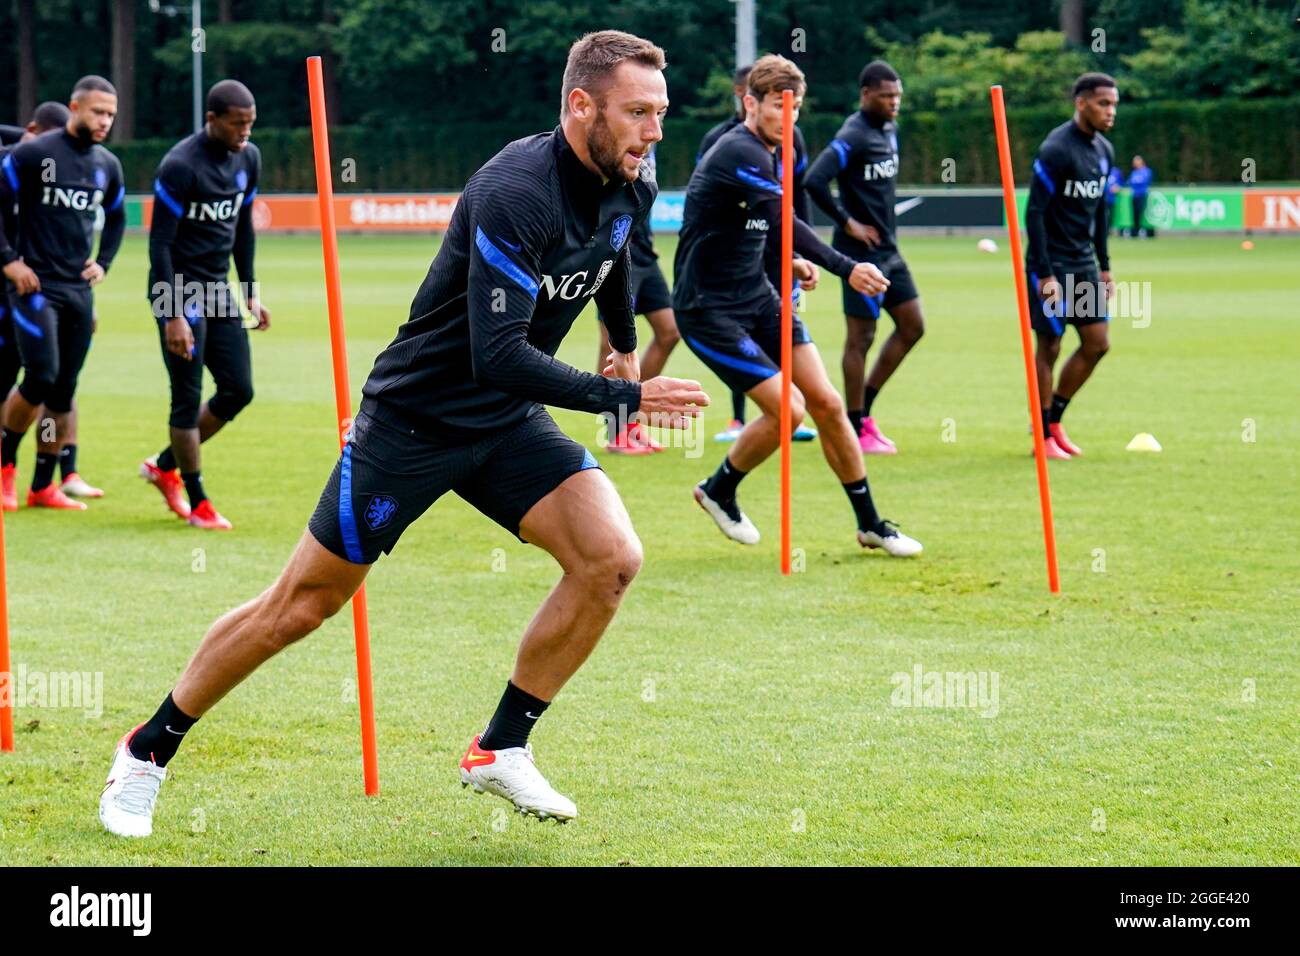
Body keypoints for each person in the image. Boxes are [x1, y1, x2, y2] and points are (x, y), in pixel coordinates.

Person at [98, 30, 709, 838]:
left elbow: (621, 253)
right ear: (580, 105)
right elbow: (499, 354)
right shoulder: (515, 189)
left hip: (507, 420)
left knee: (610, 560)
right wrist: (618, 398)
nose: (654, 130)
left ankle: (500, 748)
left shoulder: (634, 167)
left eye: (660, 112)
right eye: (638, 112)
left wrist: (625, 342)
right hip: (416, 420)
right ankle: (145, 753)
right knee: (302, 605)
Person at [674, 54, 921, 557]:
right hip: (708, 308)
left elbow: (759, 226)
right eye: (778, 107)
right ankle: (719, 488)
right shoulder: (739, 150)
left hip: (757, 298)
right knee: (789, 411)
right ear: (751, 103)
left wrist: (788, 263)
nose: (790, 118)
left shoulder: (778, 149)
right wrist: (844, 266)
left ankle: (871, 523)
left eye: (797, 108)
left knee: (828, 405)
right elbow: (783, 220)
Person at [139, 80, 269, 530]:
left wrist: (250, 290)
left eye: (250, 124)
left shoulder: (248, 158)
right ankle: (197, 501)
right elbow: (160, 246)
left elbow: (243, 232)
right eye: (238, 124)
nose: (245, 133)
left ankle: (162, 465)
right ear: (212, 119)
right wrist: (172, 312)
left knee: (238, 390)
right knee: (186, 398)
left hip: (219, 291)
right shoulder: (180, 165)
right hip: (179, 291)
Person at [0, 77, 125, 510]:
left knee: (62, 390)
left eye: (111, 114)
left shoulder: (107, 164)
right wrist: (8, 260)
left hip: (77, 290)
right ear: (75, 107)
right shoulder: (34, 153)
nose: (105, 120)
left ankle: (42, 485)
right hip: (35, 287)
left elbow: (116, 216)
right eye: (97, 111)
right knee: (40, 376)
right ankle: (4, 468)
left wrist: (104, 261)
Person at [804, 60, 923, 455]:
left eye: (898, 96)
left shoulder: (890, 130)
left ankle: (865, 410)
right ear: (866, 95)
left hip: (889, 250)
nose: (894, 103)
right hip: (858, 254)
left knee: (912, 326)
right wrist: (846, 221)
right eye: (887, 96)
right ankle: (854, 425)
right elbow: (814, 180)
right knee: (862, 337)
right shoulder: (852, 135)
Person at [697, 64, 817, 445]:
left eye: (793, 104)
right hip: (735, 264)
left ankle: (785, 412)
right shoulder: (722, 141)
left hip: (778, 250)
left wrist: (796, 252)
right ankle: (739, 418)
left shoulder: (791, 139)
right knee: (740, 332)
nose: (787, 112)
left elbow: (795, 199)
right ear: (746, 96)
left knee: (780, 334)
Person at [1024, 72, 1118, 460]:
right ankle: (1042, 434)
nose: (1110, 111)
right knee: (1050, 345)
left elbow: (1099, 214)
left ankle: (1054, 420)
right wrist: (1045, 274)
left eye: (1114, 104)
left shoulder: (1104, 151)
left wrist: (1105, 266)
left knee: (1097, 344)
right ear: (1081, 103)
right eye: (1103, 104)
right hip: (1051, 264)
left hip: (1083, 264)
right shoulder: (1056, 149)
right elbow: (1035, 215)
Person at [594, 141, 678, 455]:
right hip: (617, 251)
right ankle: (616, 429)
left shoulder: (650, 141)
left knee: (669, 331)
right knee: (613, 344)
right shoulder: (615, 136)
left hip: (645, 255)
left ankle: (634, 412)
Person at [1127, 155, 1153, 238]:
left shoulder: (1146, 171)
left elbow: (1143, 181)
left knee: (1140, 212)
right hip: (1134, 195)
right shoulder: (1134, 172)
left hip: (1142, 195)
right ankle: (1135, 231)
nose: (1135, 163)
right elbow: (1129, 182)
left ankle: (1141, 230)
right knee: (1134, 213)